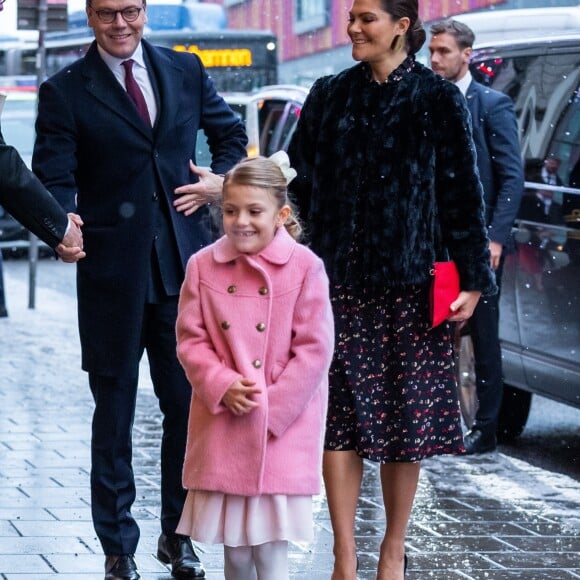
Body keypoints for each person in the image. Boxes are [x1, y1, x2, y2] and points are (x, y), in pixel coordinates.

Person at [31, 0, 248, 577]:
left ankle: (179, 537)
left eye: (129, 11)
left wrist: (218, 183)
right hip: (111, 274)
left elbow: (230, 135)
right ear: (90, 16)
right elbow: (54, 173)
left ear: (144, 11)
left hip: (184, 270)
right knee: (115, 412)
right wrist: (64, 219)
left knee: (187, 408)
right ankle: (117, 546)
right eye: (106, 13)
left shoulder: (185, 69)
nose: (119, 24)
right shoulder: (66, 89)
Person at [287, 1, 496, 578]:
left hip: (415, 285)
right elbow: (294, 175)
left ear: (403, 25)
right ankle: (345, 554)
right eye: (350, 17)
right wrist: (256, 200)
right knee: (340, 421)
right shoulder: (330, 94)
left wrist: (474, 281)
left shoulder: (437, 99)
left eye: (367, 18)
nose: (353, 27)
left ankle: (392, 551)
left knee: (408, 424)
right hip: (339, 285)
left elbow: (462, 198)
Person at [174, 153, 334, 580]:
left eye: (253, 211)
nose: (240, 221)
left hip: (280, 431)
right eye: (230, 210)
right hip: (225, 421)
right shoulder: (202, 265)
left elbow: (315, 350)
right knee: (237, 552)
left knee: (269, 549)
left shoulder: (305, 268)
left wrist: (272, 409)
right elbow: (192, 340)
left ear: (281, 214)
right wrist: (221, 382)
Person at [429, 18, 524, 454]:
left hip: (478, 241)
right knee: (431, 331)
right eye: (431, 51)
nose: (434, 59)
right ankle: (434, 423)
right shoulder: (425, 102)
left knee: (483, 334)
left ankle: (486, 428)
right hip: (433, 240)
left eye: (444, 51)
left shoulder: (491, 104)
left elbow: (511, 177)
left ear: (467, 54)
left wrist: (495, 238)